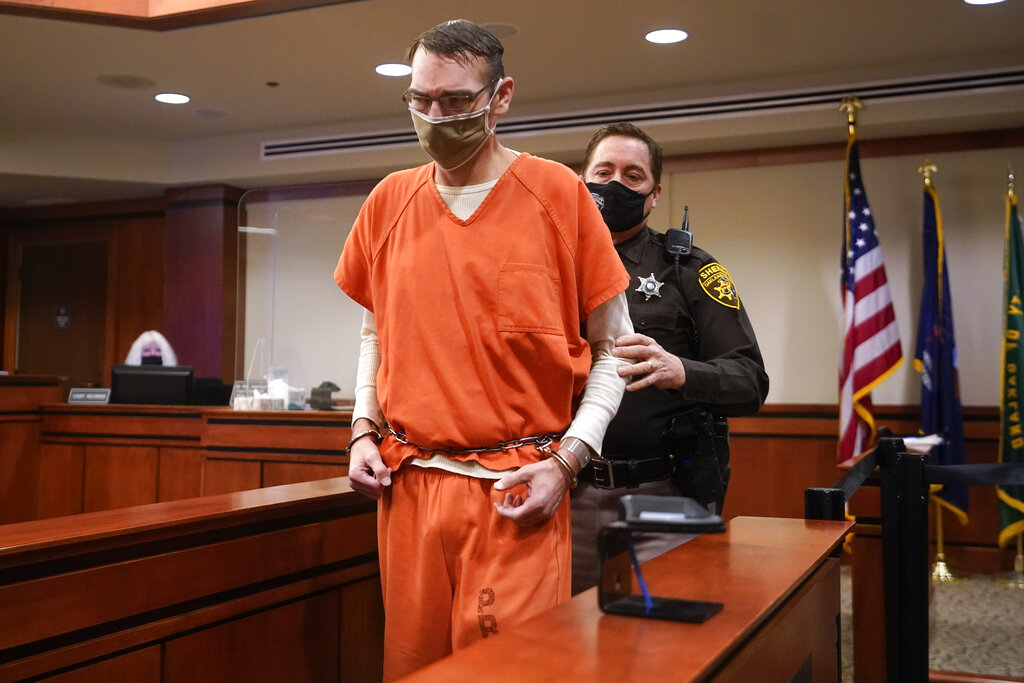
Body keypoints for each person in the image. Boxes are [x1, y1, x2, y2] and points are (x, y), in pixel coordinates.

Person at [333, 20, 632, 680]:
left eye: (457, 102)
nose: (437, 118)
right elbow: (375, 335)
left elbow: (613, 352)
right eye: (421, 101)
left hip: (519, 490)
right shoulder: (387, 202)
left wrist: (568, 463)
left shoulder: (560, 197)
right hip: (409, 491)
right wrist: (361, 429)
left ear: (500, 98)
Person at [572, 122, 769, 594]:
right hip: (563, 492)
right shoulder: (546, 263)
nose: (615, 185)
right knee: (562, 650)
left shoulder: (691, 269)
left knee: (660, 653)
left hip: (660, 495)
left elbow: (750, 380)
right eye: (604, 171)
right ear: (581, 181)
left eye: (633, 176)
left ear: (655, 193)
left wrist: (681, 371)